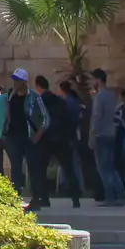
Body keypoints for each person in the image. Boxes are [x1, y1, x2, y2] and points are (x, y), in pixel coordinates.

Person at [40, 76, 86, 207]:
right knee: (68, 168)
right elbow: (69, 120)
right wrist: (69, 137)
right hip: (62, 139)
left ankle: (44, 198)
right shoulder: (61, 102)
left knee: (41, 169)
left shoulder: (41, 102)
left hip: (47, 139)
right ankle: (75, 198)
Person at [0, 70, 43, 201]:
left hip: (28, 136)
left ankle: (36, 198)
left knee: (32, 167)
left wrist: (38, 134)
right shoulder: (11, 95)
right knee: (16, 167)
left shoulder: (34, 97)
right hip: (13, 136)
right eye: (14, 80)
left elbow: (45, 118)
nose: (15, 83)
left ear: (24, 82)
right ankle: (16, 195)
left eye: (18, 80)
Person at [89, 68, 125, 205]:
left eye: (93, 79)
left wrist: (92, 135)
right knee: (110, 166)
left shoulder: (99, 97)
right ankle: (121, 193)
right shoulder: (112, 96)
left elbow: (97, 117)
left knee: (103, 168)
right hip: (111, 133)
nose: (92, 82)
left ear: (99, 80)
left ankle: (110, 195)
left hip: (100, 134)